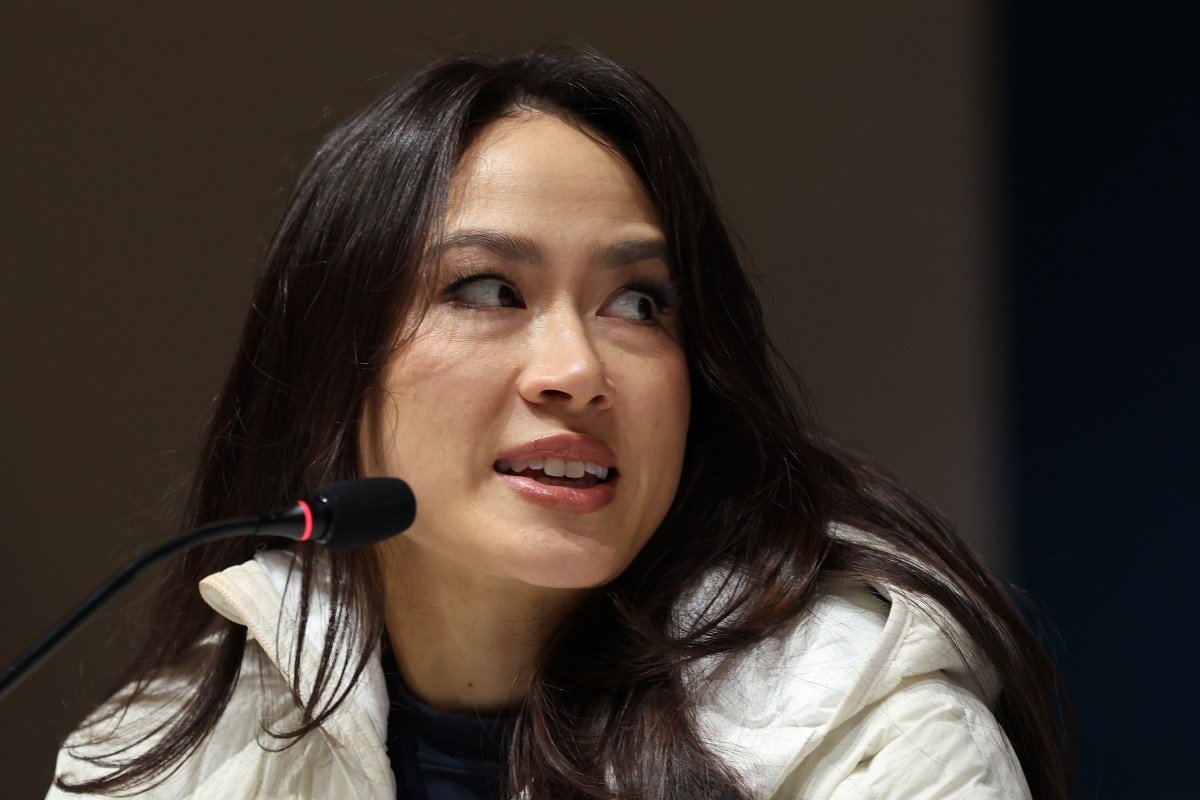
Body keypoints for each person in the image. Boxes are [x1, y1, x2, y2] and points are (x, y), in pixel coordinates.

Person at [45, 46, 1074, 799]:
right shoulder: (150, 764)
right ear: (335, 364)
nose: (578, 372)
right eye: (489, 290)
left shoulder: (876, 739)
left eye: (638, 304)